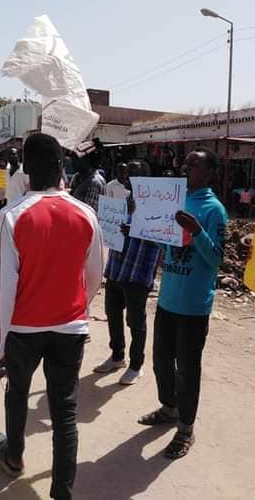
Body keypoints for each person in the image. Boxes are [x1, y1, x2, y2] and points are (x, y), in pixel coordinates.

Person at [0, 133, 103, 499]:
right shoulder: (86, 214)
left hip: (23, 330)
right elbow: (96, 274)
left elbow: (2, 290)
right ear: (60, 167)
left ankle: (15, 455)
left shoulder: (11, 216)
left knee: (17, 393)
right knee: (64, 411)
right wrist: (78, 311)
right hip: (70, 328)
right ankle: (62, 491)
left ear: (24, 170)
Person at [138, 147, 227, 460]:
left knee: (187, 370)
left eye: (195, 163)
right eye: (187, 162)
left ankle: (186, 428)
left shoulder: (214, 209)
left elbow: (216, 258)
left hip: (193, 306)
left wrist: (197, 231)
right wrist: (142, 228)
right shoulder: (175, 200)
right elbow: (168, 241)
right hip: (167, 301)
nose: (186, 166)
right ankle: (169, 407)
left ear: (209, 172)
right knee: (161, 361)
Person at [94, 160, 160, 385]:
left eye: (132, 171)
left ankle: (136, 364)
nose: (126, 175)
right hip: (118, 266)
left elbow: (162, 235)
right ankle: (117, 356)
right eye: (125, 171)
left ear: (145, 175)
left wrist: (135, 229)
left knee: (135, 319)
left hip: (138, 270)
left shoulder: (157, 203)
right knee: (112, 312)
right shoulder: (127, 200)